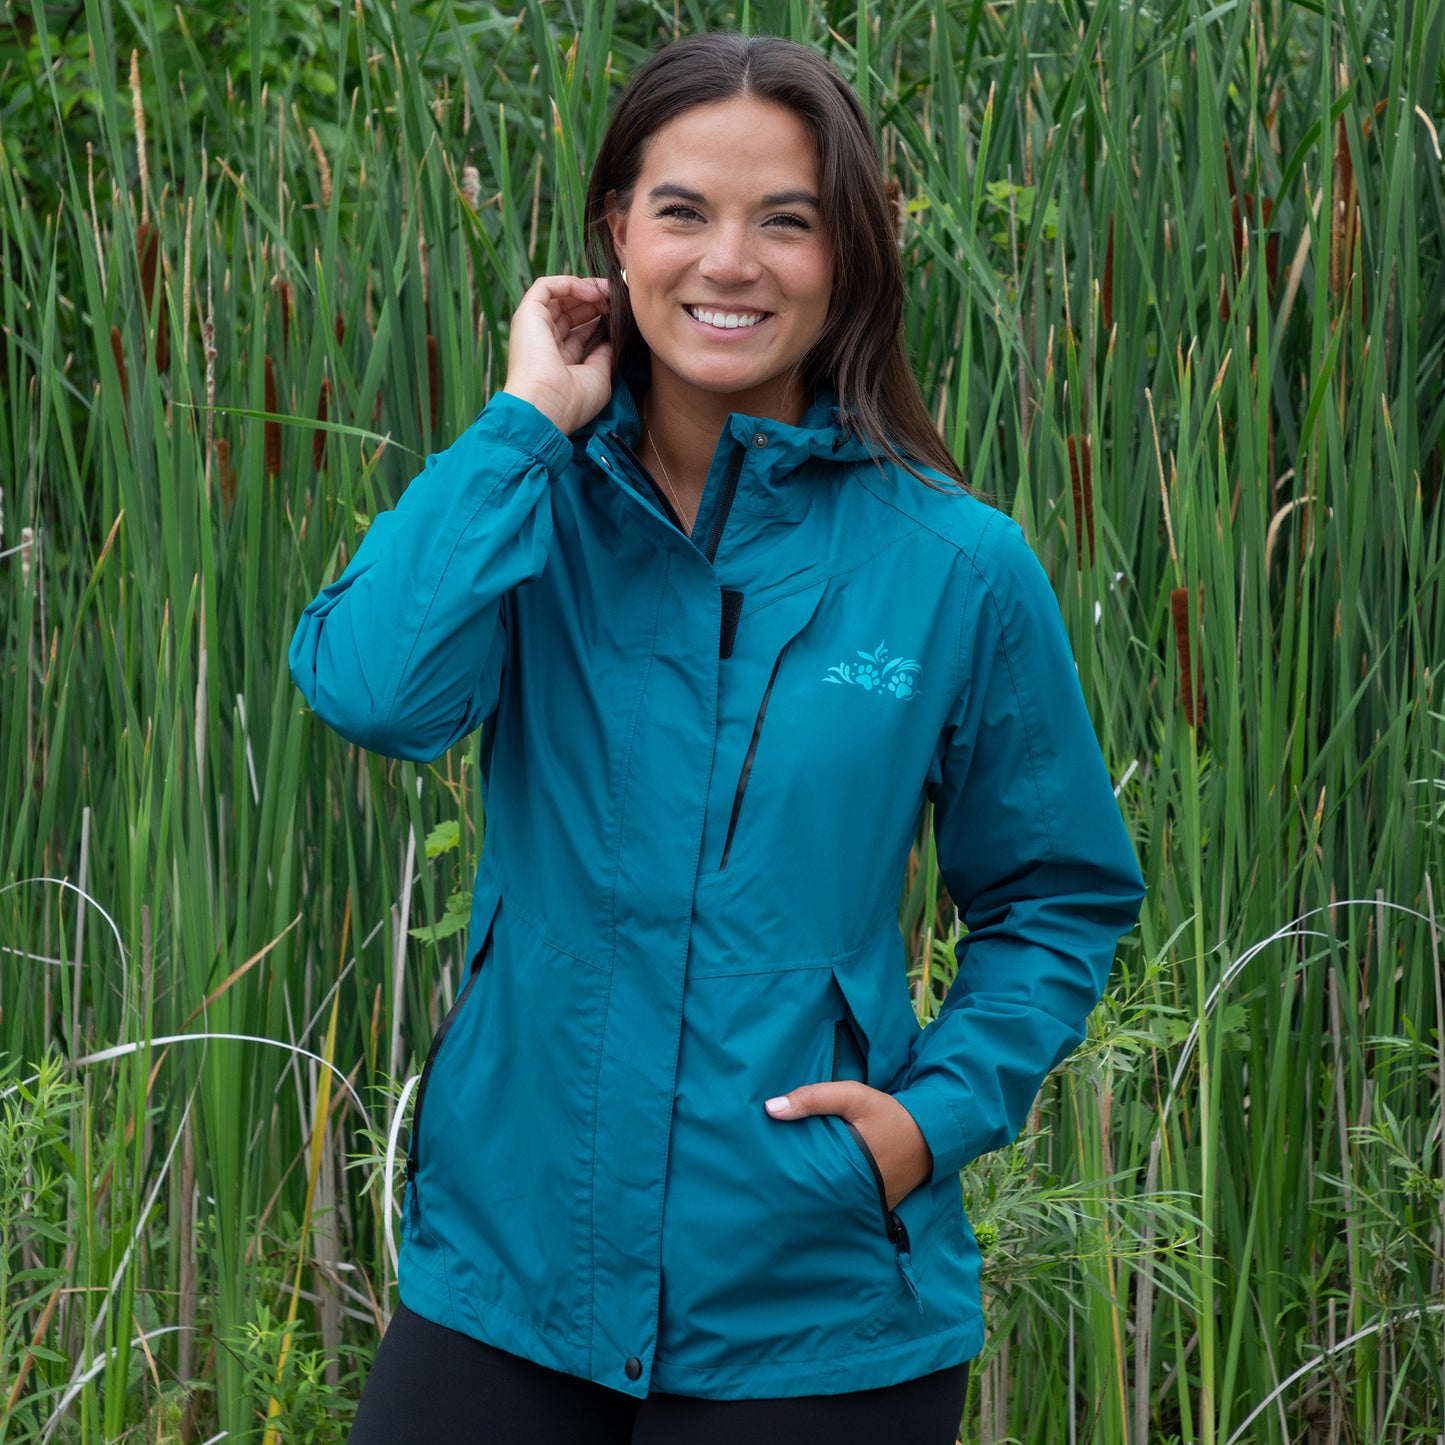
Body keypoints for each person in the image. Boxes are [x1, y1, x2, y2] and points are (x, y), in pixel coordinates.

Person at [290, 31, 1145, 1445]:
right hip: (509, 1271)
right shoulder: (528, 510)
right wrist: (523, 420)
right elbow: (375, 690)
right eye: (682, 210)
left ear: (846, 254)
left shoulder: (955, 568)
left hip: (812, 1302)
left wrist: (924, 1123)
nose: (729, 263)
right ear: (616, 231)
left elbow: (1057, 896)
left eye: (786, 222)